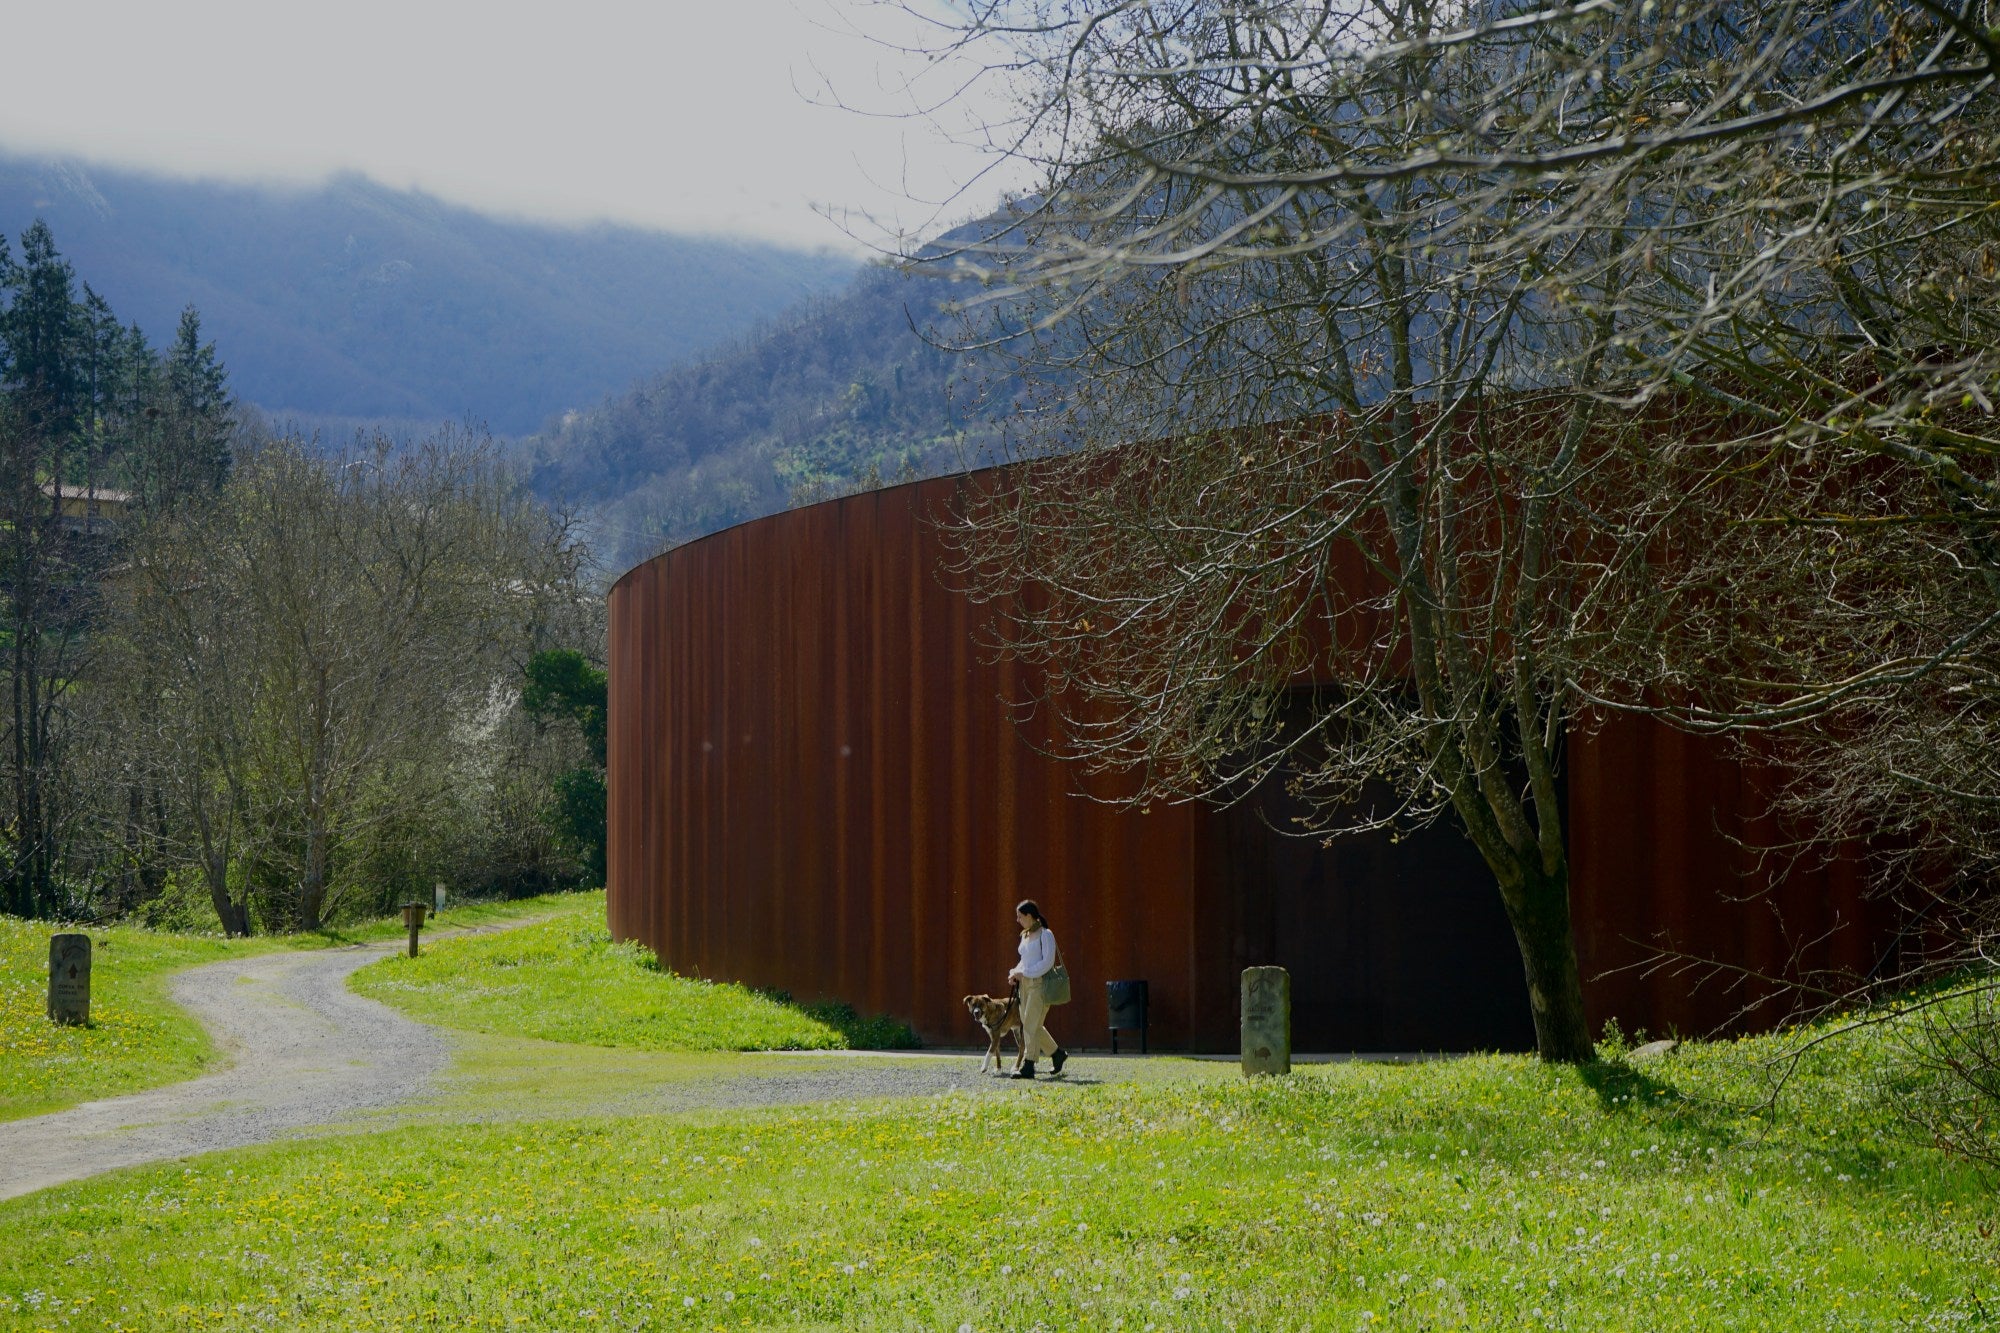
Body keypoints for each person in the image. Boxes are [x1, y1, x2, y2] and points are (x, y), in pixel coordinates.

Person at [1006, 898, 1068, 1080]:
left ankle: (1029, 1065)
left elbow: (1047, 963)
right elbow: (1024, 960)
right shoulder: (1025, 936)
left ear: (1029, 916)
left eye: (1019, 917)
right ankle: (1057, 1054)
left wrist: (1024, 973)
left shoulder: (1046, 934)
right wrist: (1014, 972)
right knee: (1031, 1024)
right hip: (1025, 984)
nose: (1017, 920)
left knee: (1030, 1024)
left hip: (1040, 984)